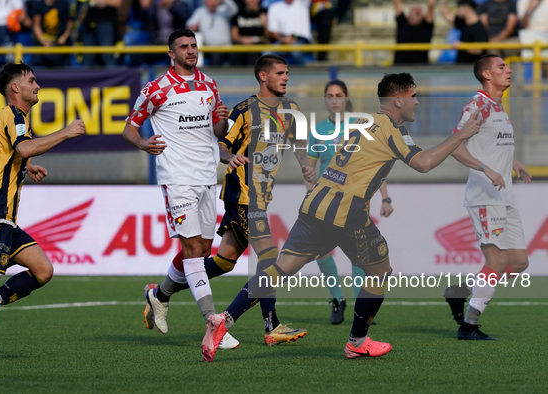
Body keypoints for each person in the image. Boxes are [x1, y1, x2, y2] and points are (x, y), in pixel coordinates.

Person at [202, 72, 486, 361]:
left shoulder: (363, 122)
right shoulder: (393, 130)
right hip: (346, 212)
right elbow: (423, 163)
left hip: (315, 205)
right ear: (398, 100)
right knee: (379, 271)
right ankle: (357, 341)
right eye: (413, 96)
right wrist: (461, 136)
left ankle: (224, 319)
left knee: (279, 269)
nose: (417, 101)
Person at [142, 54, 315, 360]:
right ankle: (269, 325)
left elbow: (298, 141)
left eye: (287, 73)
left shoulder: (291, 109)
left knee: (225, 261)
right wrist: (229, 157)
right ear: (263, 76)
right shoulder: (245, 110)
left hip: (261, 197)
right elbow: (221, 143)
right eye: (280, 73)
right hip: (242, 194)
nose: (286, 78)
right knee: (271, 260)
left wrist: (305, 166)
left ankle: (160, 293)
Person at [0, 62, 85, 360]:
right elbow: (24, 148)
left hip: (6, 217)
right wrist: (66, 132)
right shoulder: (14, 115)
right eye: (31, 80)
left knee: (43, 270)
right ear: (15, 87)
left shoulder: (13, 118)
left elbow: (12, 153)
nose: (37, 85)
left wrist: (26, 167)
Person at [122, 29, 230, 361]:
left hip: (207, 177)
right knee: (192, 250)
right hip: (176, 178)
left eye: (194, 46)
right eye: (183, 47)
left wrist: (223, 124)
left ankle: (159, 295)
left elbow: (216, 131)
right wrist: (143, 144)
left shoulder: (209, 84)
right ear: (172, 53)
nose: (190, 51)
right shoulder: (156, 89)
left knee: (201, 251)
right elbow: (129, 126)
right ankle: (213, 323)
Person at [443, 54, 531, 340]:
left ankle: (462, 289)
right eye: (502, 67)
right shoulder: (477, 105)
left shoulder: (498, 107)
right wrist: (485, 168)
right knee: (496, 259)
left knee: (518, 263)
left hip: (505, 197)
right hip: (484, 196)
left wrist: (514, 163)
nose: (509, 70)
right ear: (486, 75)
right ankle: (469, 325)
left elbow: (492, 143)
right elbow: (455, 146)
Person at [307, 79, 394, 325]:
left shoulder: (361, 127)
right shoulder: (317, 131)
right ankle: (337, 299)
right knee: (322, 253)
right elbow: (309, 169)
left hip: (356, 201)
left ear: (346, 98)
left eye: (338, 95)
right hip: (325, 201)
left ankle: (361, 308)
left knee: (359, 257)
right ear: (325, 99)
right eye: (330, 96)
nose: (334, 100)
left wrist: (385, 198)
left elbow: (375, 168)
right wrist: (309, 190)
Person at [186, 0, 238, 65]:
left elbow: (235, 9)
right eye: (210, 1)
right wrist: (193, 26)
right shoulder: (200, 12)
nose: (212, 3)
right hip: (208, 48)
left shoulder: (223, 11)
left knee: (237, 55)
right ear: (205, 2)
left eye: (214, 1)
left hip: (226, 47)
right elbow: (189, 24)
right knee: (215, 56)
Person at [266, 0, 312, 65]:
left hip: (301, 39)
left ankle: (302, 74)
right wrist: (283, 39)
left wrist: (292, 38)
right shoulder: (274, 7)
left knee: (296, 52)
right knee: (267, 53)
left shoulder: (302, 2)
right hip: (283, 40)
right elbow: (273, 31)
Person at [32, 0, 74, 67]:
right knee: (38, 62)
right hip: (43, 40)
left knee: (60, 64)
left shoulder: (63, 3)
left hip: (60, 42)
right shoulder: (39, 5)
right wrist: (43, 41)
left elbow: (70, 23)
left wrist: (64, 37)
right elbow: (36, 25)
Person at [393, 0, 435, 64]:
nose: (417, 10)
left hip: (421, 68)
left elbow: (431, 6)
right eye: (414, 9)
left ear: (424, 16)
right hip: (400, 67)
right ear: (408, 15)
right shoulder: (402, 23)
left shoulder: (426, 27)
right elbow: (398, 2)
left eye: (420, 10)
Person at [230, 0, 268, 66]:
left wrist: (265, 24)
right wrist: (243, 40)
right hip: (242, 43)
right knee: (236, 50)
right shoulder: (239, 13)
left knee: (252, 51)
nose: (252, 1)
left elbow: (269, 38)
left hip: (259, 44)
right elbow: (235, 36)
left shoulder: (265, 13)